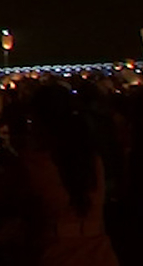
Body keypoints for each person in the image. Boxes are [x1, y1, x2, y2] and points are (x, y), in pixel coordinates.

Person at [15, 85, 119, 266]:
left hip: (57, 253)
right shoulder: (92, 161)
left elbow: (26, 213)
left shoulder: (34, 164)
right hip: (99, 252)